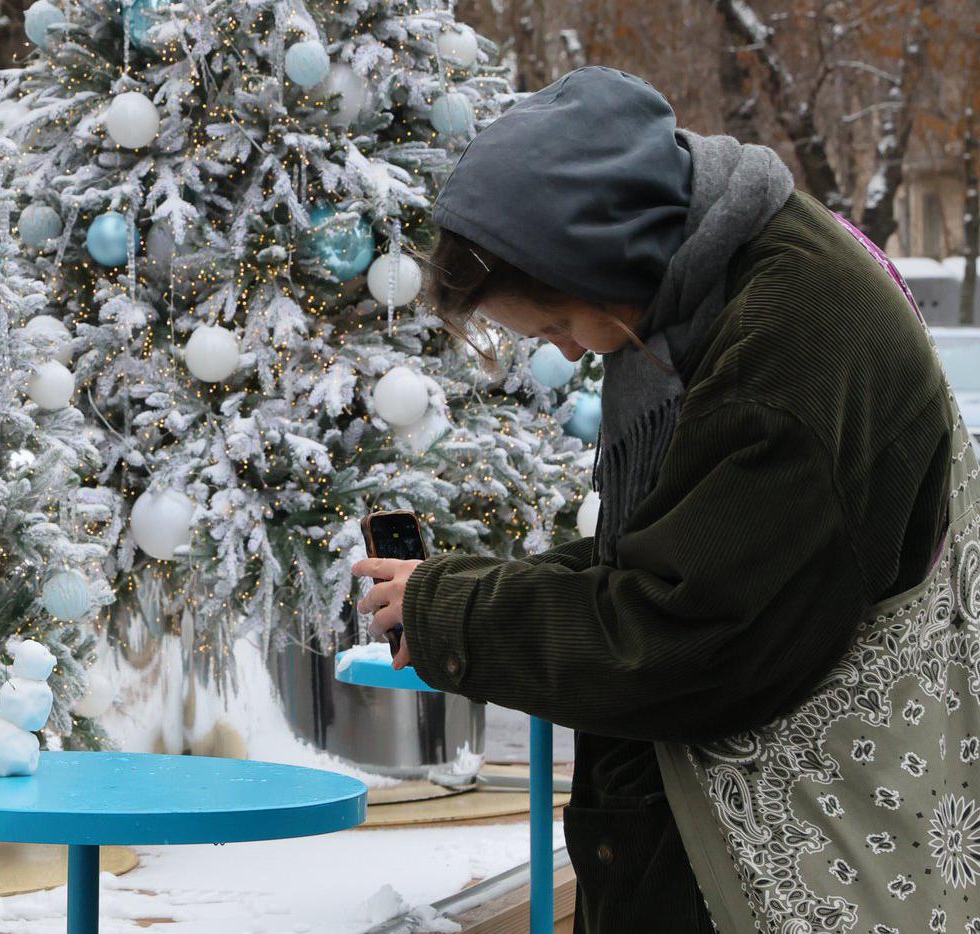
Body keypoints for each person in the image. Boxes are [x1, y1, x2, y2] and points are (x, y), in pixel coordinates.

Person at [353, 66, 977, 933]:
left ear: (605, 260)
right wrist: (457, 596)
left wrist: (457, 615)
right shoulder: (737, 256)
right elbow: (688, 541)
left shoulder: (782, 358)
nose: (568, 356)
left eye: (557, 324)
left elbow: (683, 635)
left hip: (799, 861)